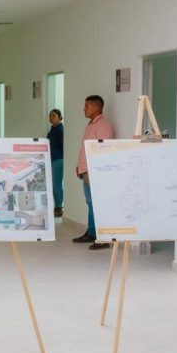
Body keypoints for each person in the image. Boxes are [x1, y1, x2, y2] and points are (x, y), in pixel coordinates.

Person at [73, 95, 114, 250]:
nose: (84, 109)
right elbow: (86, 148)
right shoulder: (91, 125)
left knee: (98, 204)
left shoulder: (103, 126)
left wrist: (93, 170)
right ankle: (91, 233)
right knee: (91, 203)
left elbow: (103, 152)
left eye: (87, 106)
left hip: (95, 172)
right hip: (87, 170)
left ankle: (103, 238)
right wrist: (80, 166)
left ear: (96, 107)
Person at [47, 109, 64, 217]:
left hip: (58, 160)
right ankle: (56, 206)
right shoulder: (53, 130)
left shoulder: (60, 130)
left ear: (59, 117)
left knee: (56, 184)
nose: (51, 118)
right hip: (52, 160)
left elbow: (64, 145)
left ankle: (58, 208)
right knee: (53, 184)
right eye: (50, 116)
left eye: (53, 116)